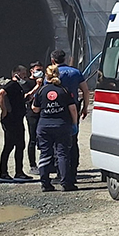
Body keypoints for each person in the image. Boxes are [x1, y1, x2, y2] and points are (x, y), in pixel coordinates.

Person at [33, 64, 79, 192]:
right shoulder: (64, 90)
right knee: (62, 154)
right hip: (62, 125)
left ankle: (45, 183)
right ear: (58, 75)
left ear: (46, 76)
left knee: (45, 154)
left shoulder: (41, 90)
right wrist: (74, 124)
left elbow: (35, 108)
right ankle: (66, 183)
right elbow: (73, 108)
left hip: (44, 126)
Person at [50, 50, 89, 182]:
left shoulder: (51, 74)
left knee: (58, 141)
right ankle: (73, 171)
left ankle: (60, 172)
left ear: (53, 60)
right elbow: (85, 90)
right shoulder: (75, 72)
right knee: (73, 138)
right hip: (74, 107)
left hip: (57, 108)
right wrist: (85, 108)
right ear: (65, 59)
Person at [0, 65, 32, 182]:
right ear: (16, 73)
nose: (25, 75)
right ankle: (3, 173)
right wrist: (4, 110)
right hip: (11, 120)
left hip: (18, 120)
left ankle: (19, 172)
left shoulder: (18, 86)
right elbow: (0, 94)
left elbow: (19, 99)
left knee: (20, 145)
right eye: (23, 73)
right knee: (9, 146)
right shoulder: (11, 84)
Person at [24, 61, 45, 172]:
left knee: (44, 138)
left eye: (41, 70)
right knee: (33, 139)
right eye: (37, 70)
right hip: (31, 114)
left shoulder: (45, 81)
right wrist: (37, 86)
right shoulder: (27, 82)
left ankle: (46, 163)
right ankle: (32, 165)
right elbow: (27, 97)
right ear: (32, 71)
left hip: (43, 113)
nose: (40, 72)